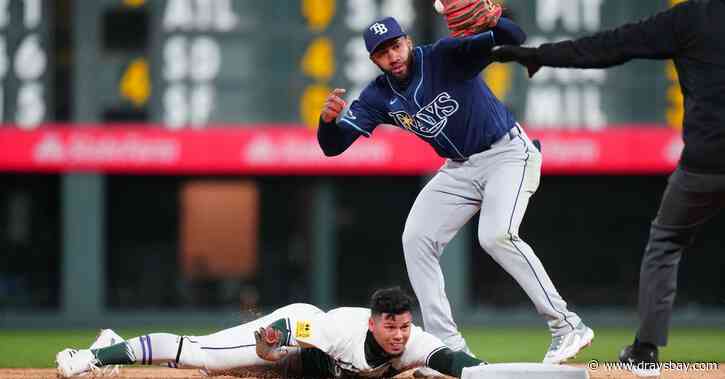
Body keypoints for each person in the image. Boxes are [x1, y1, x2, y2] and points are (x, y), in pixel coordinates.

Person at [317, 16, 593, 364]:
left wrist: (497, 17)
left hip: (508, 153)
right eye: (383, 52)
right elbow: (333, 146)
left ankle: (567, 326)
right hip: (459, 168)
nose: (393, 55)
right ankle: (447, 347)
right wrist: (327, 122)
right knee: (416, 238)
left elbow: (515, 35)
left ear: (408, 40)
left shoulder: (444, 56)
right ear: (374, 60)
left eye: (396, 45)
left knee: (496, 235)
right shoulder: (379, 94)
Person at [491, 0, 725, 376]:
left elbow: (613, 45)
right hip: (706, 160)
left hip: (706, 161)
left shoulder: (692, 16)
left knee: (665, 243)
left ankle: (645, 351)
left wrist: (539, 55)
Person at [56, 287, 486, 378]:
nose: (398, 335)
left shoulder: (415, 342)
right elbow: (280, 335)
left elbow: (455, 362)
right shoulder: (339, 328)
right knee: (203, 356)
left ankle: (112, 345)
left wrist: (488, 372)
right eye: (390, 326)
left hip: (305, 369)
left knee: (225, 375)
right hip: (295, 341)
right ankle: (94, 357)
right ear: (373, 322)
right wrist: (267, 346)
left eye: (404, 326)